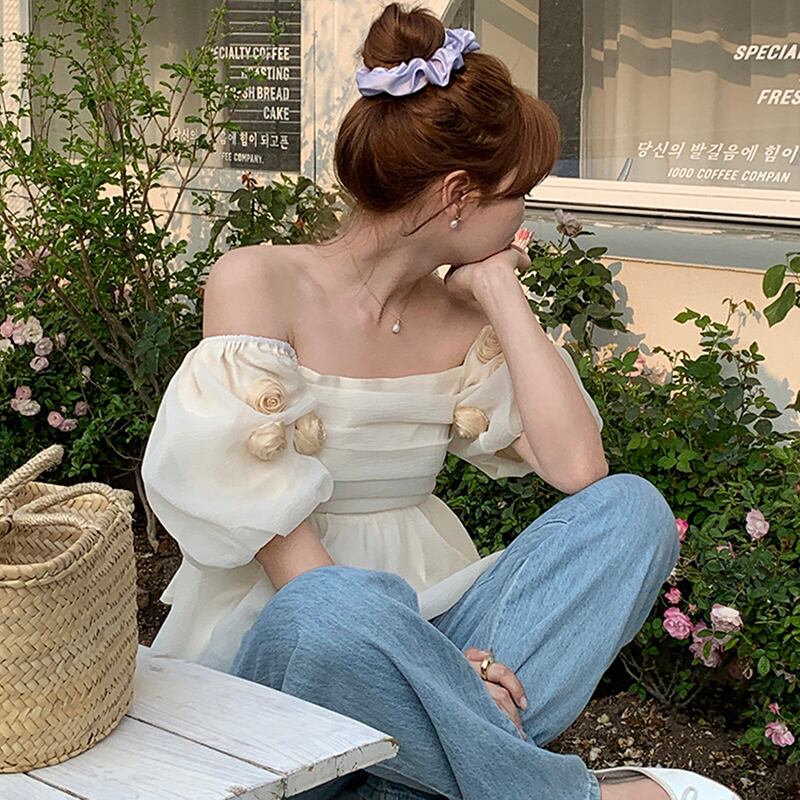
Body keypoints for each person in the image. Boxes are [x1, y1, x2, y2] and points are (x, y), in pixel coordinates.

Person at [140, 4, 741, 799]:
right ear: (459, 192)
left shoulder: (460, 316)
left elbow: (578, 468)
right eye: (520, 194)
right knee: (333, 606)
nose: (525, 217)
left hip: (437, 624)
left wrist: (500, 293)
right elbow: (278, 542)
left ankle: (430, 776)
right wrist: (444, 673)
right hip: (294, 641)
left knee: (633, 511)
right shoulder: (259, 281)